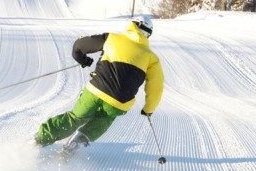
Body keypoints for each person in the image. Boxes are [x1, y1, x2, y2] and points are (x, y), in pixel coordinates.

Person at [35, 15, 164, 147]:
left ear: (131, 25)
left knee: (75, 118)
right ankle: (79, 140)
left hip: (96, 90)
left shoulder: (111, 38)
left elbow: (78, 46)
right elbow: (156, 88)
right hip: (119, 101)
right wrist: (149, 109)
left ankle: (39, 140)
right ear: (148, 34)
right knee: (104, 120)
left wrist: (83, 60)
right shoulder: (151, 57)